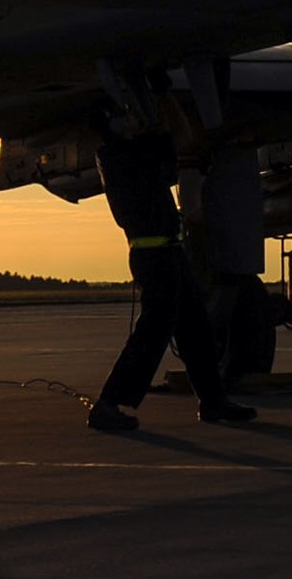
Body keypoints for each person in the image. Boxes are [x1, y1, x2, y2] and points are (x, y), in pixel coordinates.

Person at [90, 126, 250, 432]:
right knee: (154, 331)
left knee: (195, 328)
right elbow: (168, 148)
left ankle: (213, 400)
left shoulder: (124, 156)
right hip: (156, 258)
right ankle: (109, 403)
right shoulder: (125, 158)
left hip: (168, 252)